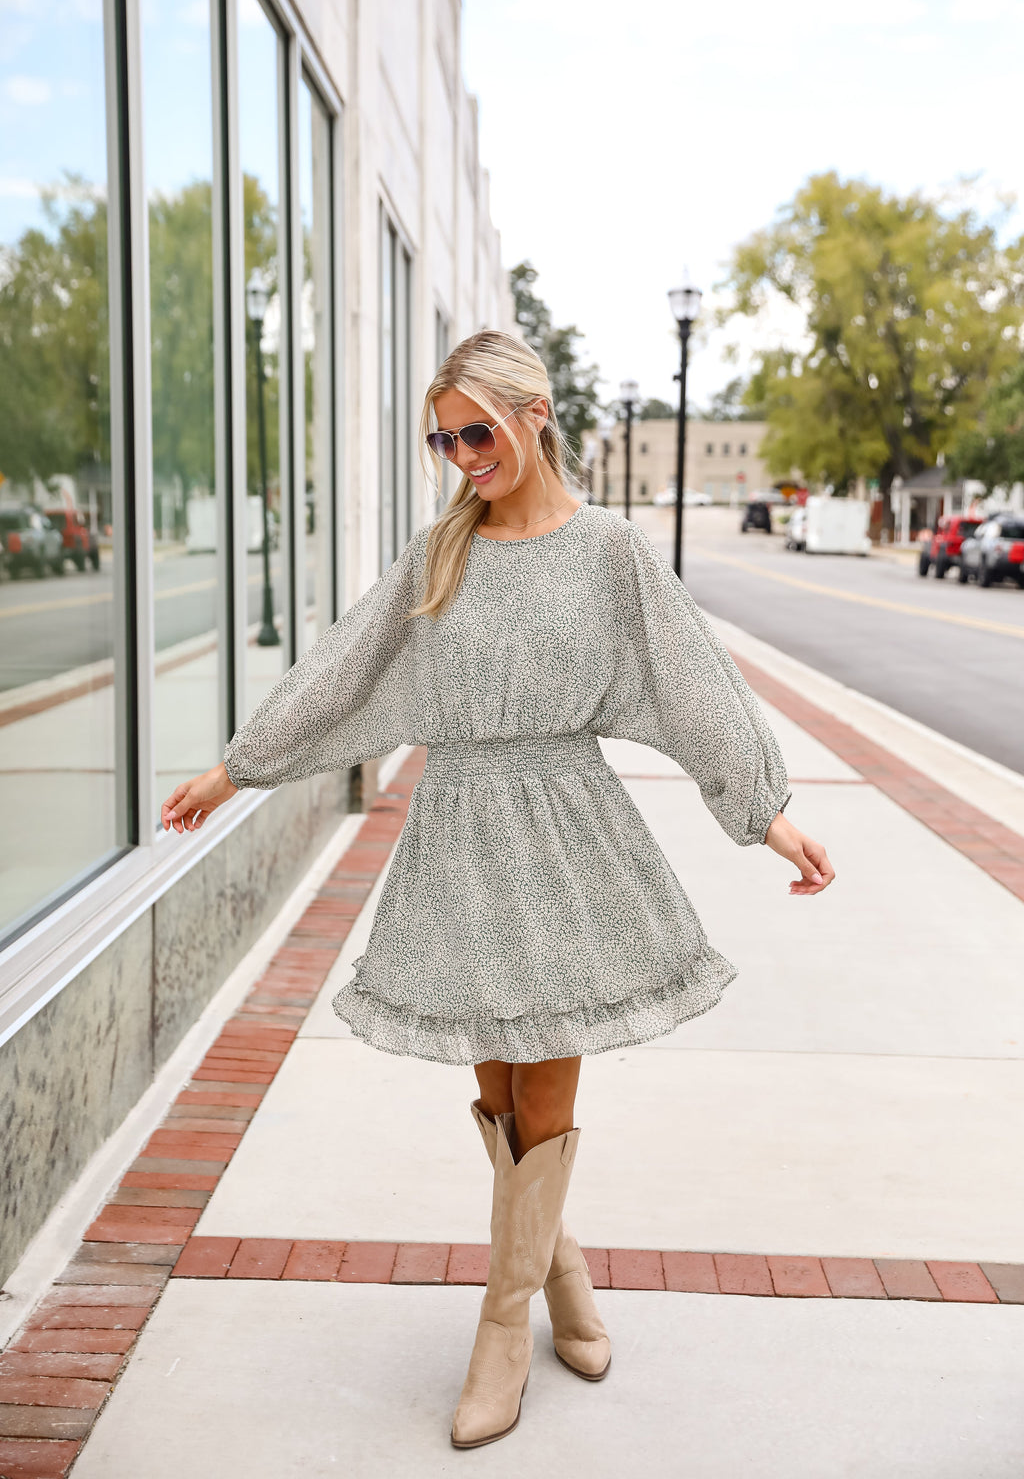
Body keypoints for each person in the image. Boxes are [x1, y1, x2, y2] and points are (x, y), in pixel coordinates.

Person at [162, 329, 835, 1450]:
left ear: (537, 415)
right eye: (444, 437)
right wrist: (238, 768)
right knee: (500, 1102)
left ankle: (500, 1331)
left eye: (478, 430)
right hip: (458, 838)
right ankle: (562, 1276)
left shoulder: (612, 550)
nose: (462, 453)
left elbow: (690, 683)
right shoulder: (442, 551)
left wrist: (765, 814)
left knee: (547, 1100)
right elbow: (343, 669)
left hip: (567, 837)